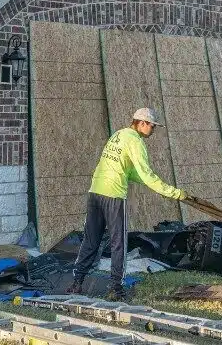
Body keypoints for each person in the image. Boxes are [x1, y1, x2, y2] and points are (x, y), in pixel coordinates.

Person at [69, 108, 187, 300]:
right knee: (119, 243)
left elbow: (130, 172)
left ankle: (77, 283)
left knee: (91, 240)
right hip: (114, 195)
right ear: (142, 123)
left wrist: (155, 187)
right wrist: (172, 192)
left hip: (95, 192)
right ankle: (115, 288)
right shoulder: (136, 141)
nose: (153, 131)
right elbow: (146, 174)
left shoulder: (118, 135)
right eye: (152, 126)